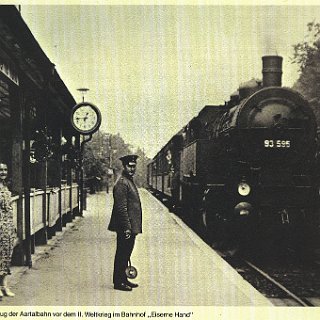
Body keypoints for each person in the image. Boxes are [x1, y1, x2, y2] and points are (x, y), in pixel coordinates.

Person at [108, 155, 142, 291]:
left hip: (130, 226)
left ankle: (123, 278)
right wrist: (127, 227)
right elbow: (121, 208)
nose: (132, 168)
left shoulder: (128, 181)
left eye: (134, 166)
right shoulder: (122, 183)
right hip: (125, 226)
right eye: (130, 166)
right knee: (122, 253)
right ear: (124, 166)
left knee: (126, 253)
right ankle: (118, 282)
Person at [0, 162, 16, 300]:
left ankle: (4, 286)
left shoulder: (5, 186)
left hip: (7, 226)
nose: (3, 172)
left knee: (6, 255)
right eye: (0, 170)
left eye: (5, 170)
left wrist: (12, 225)